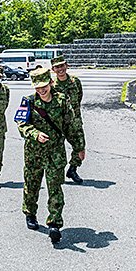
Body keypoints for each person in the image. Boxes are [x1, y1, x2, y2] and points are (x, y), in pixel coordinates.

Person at [15, 68, 85, 244]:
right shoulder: (28, 101)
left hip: (55, 153)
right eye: (37, 87)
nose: (41, 90)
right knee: (32, 185)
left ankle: (55, 224)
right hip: (33, 152)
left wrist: (79, 147)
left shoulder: (62, 101)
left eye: (44, 86)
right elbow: (21, 124)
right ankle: (30, 213)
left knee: (55, 188)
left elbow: (71, 126)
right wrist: (34, 133)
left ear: (51, 83)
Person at [51, 55, 86, 184]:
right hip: (58, 122)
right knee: (57, 149)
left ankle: (72, 169)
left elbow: (79, 97)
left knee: (80, 145)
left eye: (62, 66)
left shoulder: (75, 81)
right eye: (57, 67)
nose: (60, 69)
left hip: (74, 120)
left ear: (66, 65)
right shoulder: (52, 85)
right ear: (53, 69)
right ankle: (57, 174)